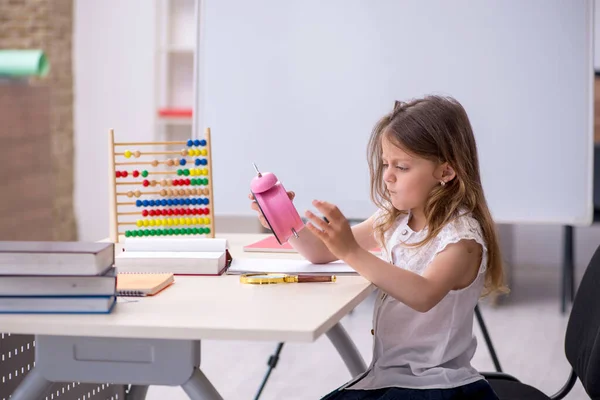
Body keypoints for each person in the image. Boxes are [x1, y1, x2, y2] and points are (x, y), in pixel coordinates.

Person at [249, 95, 506, 400]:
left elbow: (423, 295)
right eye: (386, 164)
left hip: (438, 386)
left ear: (446, 172)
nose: (387, 176)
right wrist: (283, 219)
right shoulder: (394, 219)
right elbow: (321, 251)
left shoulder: (462, 238)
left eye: (402, 166)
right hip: (386, 376)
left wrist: (352, 251)